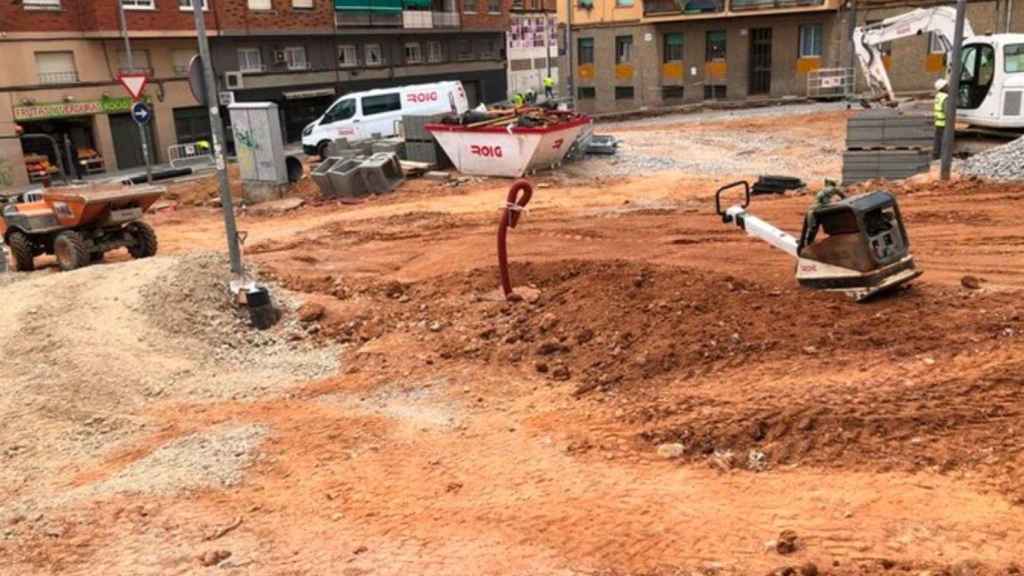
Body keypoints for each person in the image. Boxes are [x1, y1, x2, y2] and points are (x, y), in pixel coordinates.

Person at [933, 78, 948, 160]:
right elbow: (947, 112)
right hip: (944, 123)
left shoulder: (938, 96)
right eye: (946, 85)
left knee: (937, 141)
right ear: (943, 87)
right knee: (944, 141)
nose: (948, 86)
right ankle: (943, 158)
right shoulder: (945, 97)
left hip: (938, 122)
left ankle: (935, 157)